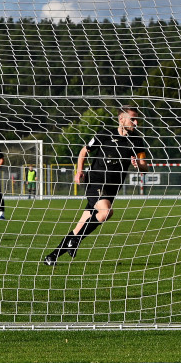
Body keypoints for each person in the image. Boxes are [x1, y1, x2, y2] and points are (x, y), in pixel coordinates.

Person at [43, 107, 147, 266]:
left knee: (81, 226)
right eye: (133, 119)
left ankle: (52, 256)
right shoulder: (105, 135)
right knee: (106, 212)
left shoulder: (138, 140)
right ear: (121, 119)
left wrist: (137, 165)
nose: (136, 122)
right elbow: (84, 151)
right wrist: (79, 171)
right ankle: (75, 241)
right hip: (95, 181)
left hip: (112, 188)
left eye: (137, 119)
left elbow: (144, 166)